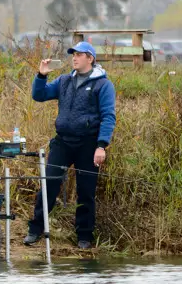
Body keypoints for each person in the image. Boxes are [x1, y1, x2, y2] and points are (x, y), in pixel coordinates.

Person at [23, 41, 116, 249]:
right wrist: (41, 75)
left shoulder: (103, 85)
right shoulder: (64, 80)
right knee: (49, 185)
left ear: (90, 59)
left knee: (86, 191)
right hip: (63, 142)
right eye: (73, 54)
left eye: (79, 54)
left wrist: (101, 146)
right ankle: (35, 229)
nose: (74, 57)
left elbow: (109, 117)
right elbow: (39, 95)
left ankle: (84, 236)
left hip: (89, 144)